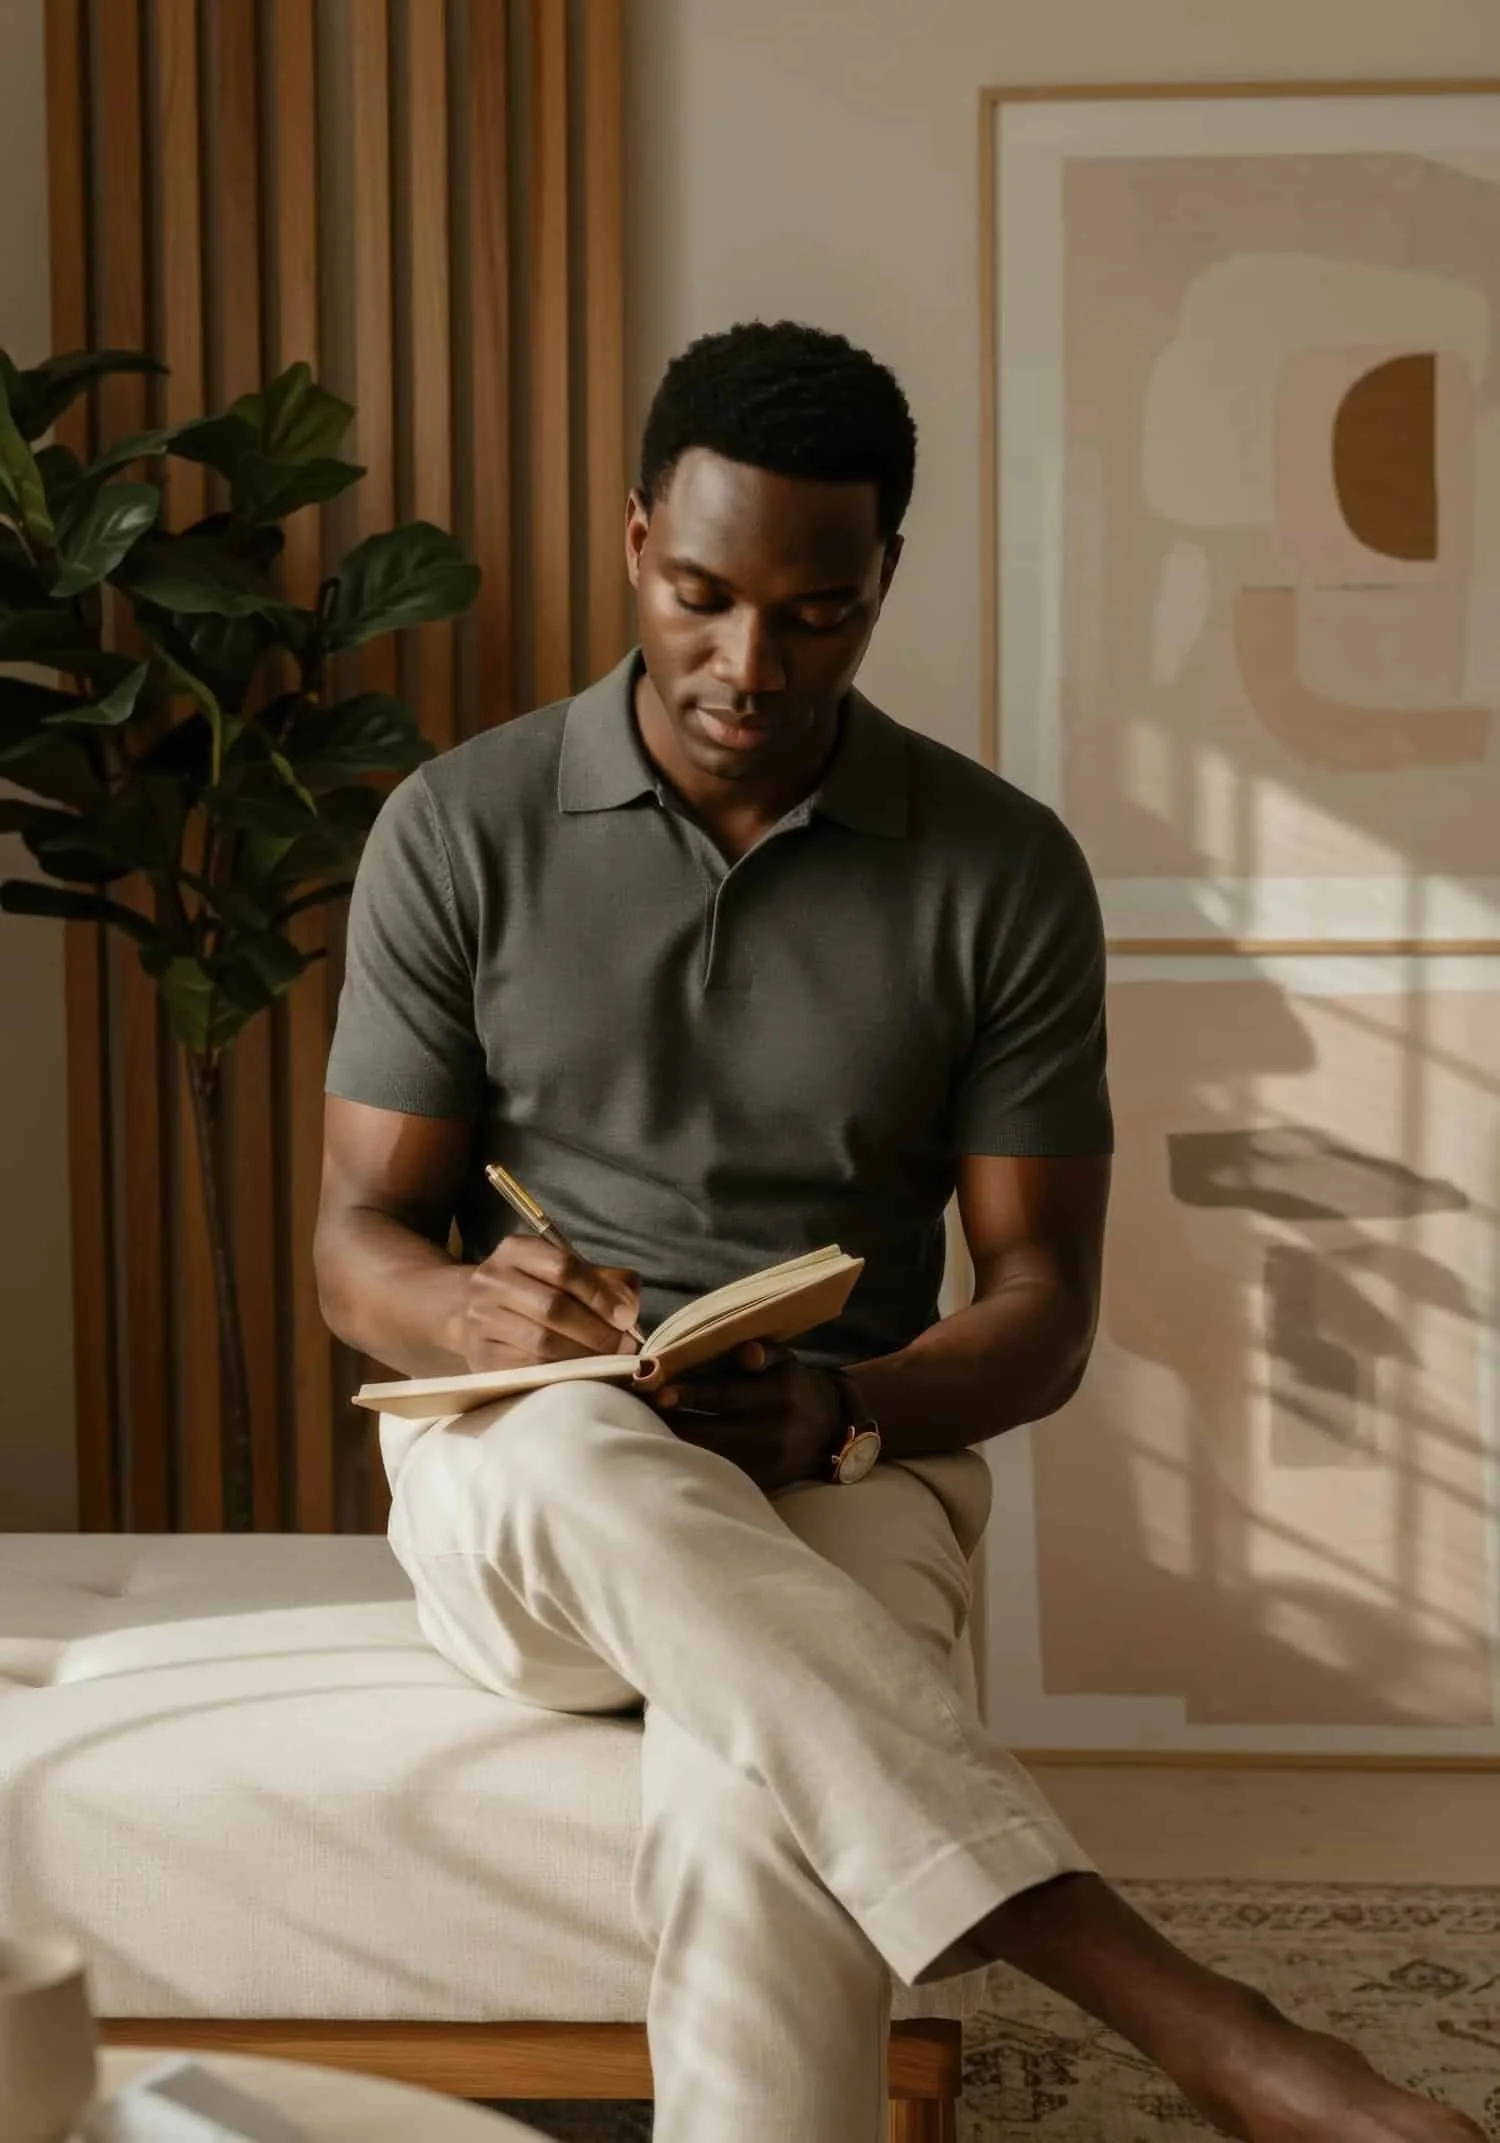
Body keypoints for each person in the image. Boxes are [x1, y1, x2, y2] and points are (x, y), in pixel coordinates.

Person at [315, 320, 1483, 2143]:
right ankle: (1204, 2022)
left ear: (883, 587)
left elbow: (1042, 1307)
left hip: (852, 1454)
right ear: (635, 537)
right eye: (701, 595)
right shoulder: (460, 830)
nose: (747, 663)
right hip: (523, 1481)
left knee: (745, 1801)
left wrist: (846, 1409)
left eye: (816, 614)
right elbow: (355, 1243)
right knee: (587, 1461)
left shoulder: (997, 868)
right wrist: (472, 1314)